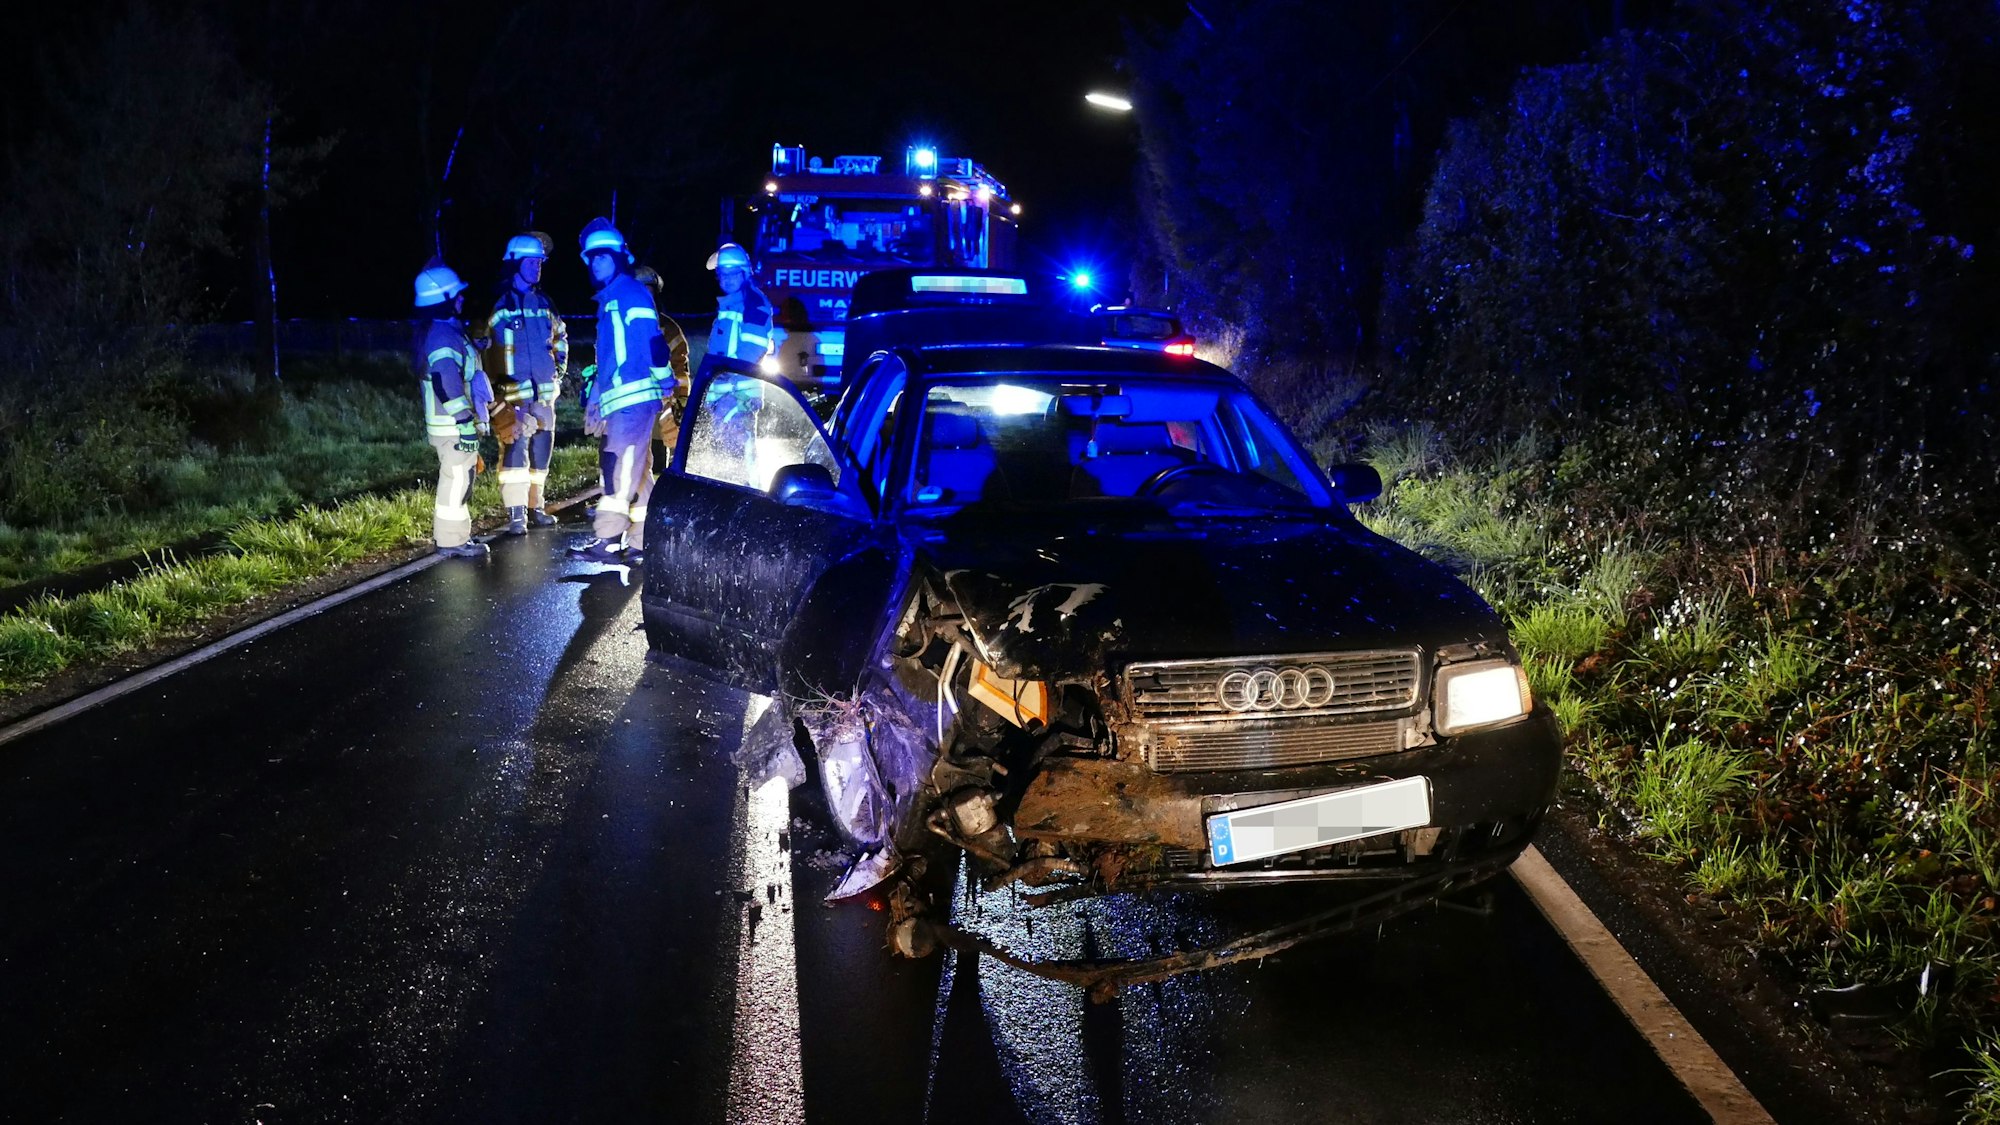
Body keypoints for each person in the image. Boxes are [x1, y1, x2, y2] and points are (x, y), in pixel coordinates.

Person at [570, 218, 664, 565]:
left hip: (633, 400)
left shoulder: (628, 293)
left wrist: (665, 380)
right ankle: (641, 542)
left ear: (619, 258)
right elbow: (609, 359)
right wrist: (596, 400)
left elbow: (653, 344)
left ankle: (608, 540)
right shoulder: (612, 297)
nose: (596, 263)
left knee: (618, 468)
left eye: (603, 257)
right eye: (592, 258)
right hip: (624, 401)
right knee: (635, 471)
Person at [485, 231, 568, 534]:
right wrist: (495, 395)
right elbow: (486, 353)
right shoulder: (499, 305)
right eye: (531, 262)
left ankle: (537, 507)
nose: (537, 268)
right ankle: (516, 515)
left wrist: (557, 371)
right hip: (512, 397)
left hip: (544, 397)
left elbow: (560, 337)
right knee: (515, 454)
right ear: (514, 264)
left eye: (540, 263)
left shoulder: (545, 302)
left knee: (541, 454)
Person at [413, 258, 490, 558]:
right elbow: (446, 381)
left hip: (450, 426)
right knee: (456, 481)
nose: (461, 298)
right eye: (456, 294)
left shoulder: (444, 331)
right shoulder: (443, 335)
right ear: (443, 300)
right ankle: (451, 541)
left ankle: (456, 538)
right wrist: (465, 422)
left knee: (460, 480)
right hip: (453, 426)